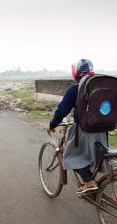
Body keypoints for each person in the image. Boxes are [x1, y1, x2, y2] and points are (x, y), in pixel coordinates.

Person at [48, 59, 108, 195]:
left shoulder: (76, 89)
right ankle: (93, 186)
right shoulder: (101, 87)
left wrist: (52, 124)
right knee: (93, 158)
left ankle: (89, 182)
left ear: (76, 72)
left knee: (70, 156)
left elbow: (62, 111)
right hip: (103, 131)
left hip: (84, 130)